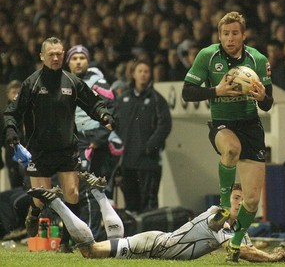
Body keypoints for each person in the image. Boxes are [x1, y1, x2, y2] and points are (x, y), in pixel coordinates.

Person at [27, 174, 285, 263]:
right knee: (90, 251)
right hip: (155, 245)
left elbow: (245, 246)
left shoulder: (233, 228)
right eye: (236, 199)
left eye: (244, 200)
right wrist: (274, 259)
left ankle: (99, 194)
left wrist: (271, 250)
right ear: (227, 199)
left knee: (114, 240)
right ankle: (58, 203)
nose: (240, 204)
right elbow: (240, 250)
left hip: (156, 243)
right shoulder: (218, 216)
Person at [2, 37, 115, 249]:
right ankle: (33, 213)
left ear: (63, 55)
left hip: (67, 148)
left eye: (59, 54)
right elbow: (11, 112)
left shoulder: (72, 82)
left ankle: (67, 241)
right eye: (51, 54)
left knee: (72, 194)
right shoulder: (31, 83)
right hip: (39, 150)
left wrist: (104, 116)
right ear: (42, 57)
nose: (56, 58)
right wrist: (11, 132)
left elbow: (93, 103)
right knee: (42, 199)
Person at [181, 11, 274, 262]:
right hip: (223, 124)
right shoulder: (207, 56)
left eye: (234, 33)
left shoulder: (258, 59)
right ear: (219, 35)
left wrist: (263, 97)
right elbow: (187, 93)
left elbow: (268, 104)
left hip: (251, 127)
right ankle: (223, 206)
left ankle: (235, 243)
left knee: (252, 200)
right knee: (231, 149)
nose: (229, 38)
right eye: (225, 34)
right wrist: (216, 90)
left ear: (243, 35)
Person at [65, 44, 116, 247]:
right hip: (72, 140)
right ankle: (73, 237)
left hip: (92, 141)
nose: (78, 61)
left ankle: (91, 238)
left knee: (90, 190)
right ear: (68, 62)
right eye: (74, 58)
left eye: (82, 58)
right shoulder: (64, 81)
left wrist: (99, 138)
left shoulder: (98, 81)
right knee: (71, 189)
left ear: (88, 61)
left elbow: (111, 109)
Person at [115, 59, 172, 214]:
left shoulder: (157, 100)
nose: (143, 74)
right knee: (130, 208)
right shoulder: (123, 100)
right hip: (127, 162)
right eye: (140, 71)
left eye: (146, 71)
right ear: (133, 74)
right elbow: (116, 127)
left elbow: (165, 126)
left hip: (149, 163)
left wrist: (149, 148)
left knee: (149, 207)